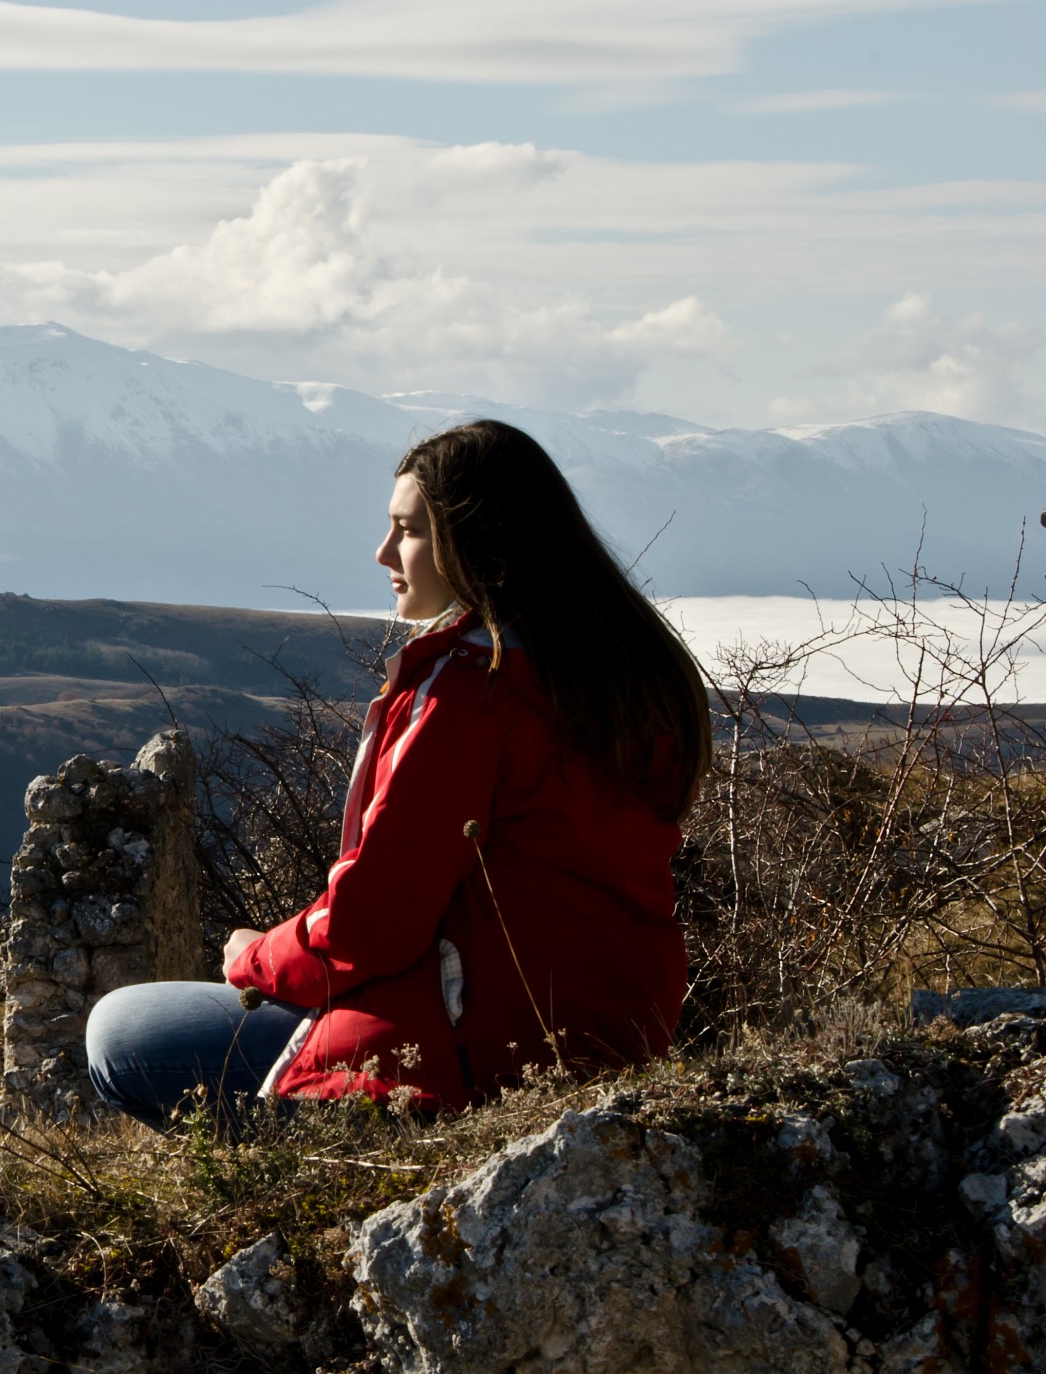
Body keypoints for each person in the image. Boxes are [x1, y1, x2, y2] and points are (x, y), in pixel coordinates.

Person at [85, 418, 711, 1124]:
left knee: (121, 1032)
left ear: (476, 540)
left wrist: (255, 955)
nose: (385, 551)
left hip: (460, 1057)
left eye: (408, 530)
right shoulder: (617, 678)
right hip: (602, 1037)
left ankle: (299, 1173)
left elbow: (372, 924)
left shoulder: (475, 691)